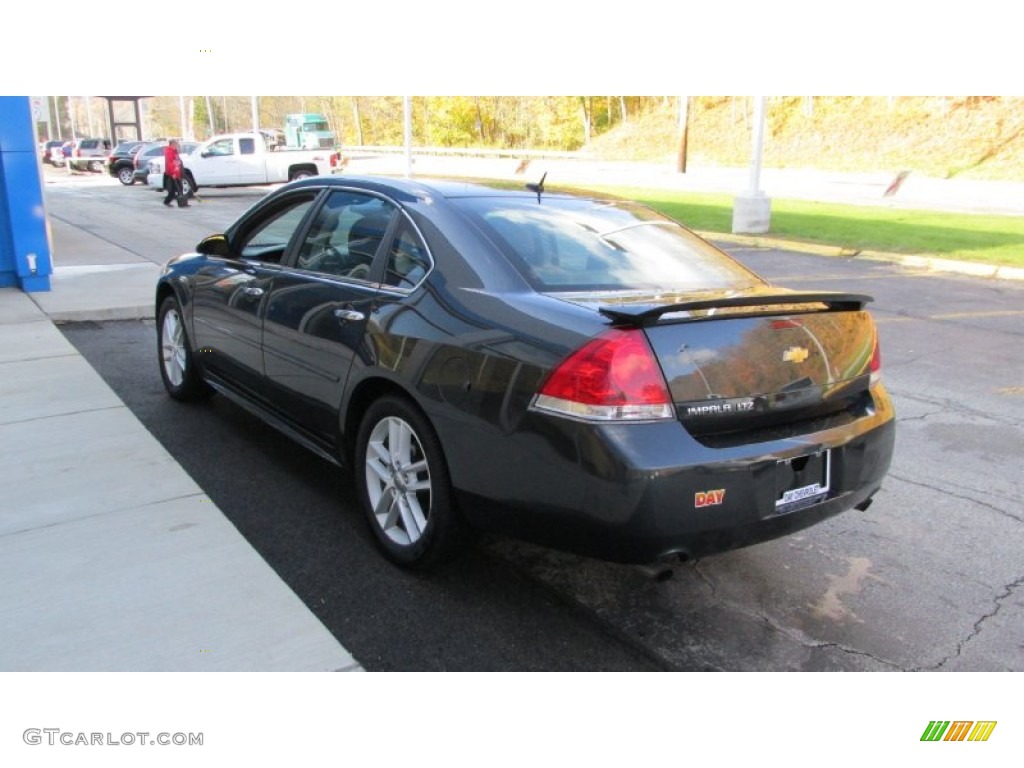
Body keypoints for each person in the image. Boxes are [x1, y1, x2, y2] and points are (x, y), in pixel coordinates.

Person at [162, 139, 188, 208]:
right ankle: (169, 202)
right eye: (176, 144)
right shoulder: (170, 152)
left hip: (177, 172)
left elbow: (177, 161)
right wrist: (172, 173)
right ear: (172, 144)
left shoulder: (174, 151)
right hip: (172, 173)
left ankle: (182, 202)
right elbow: (169, 163)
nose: (177, 145)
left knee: (179, 187)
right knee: (174, 189)